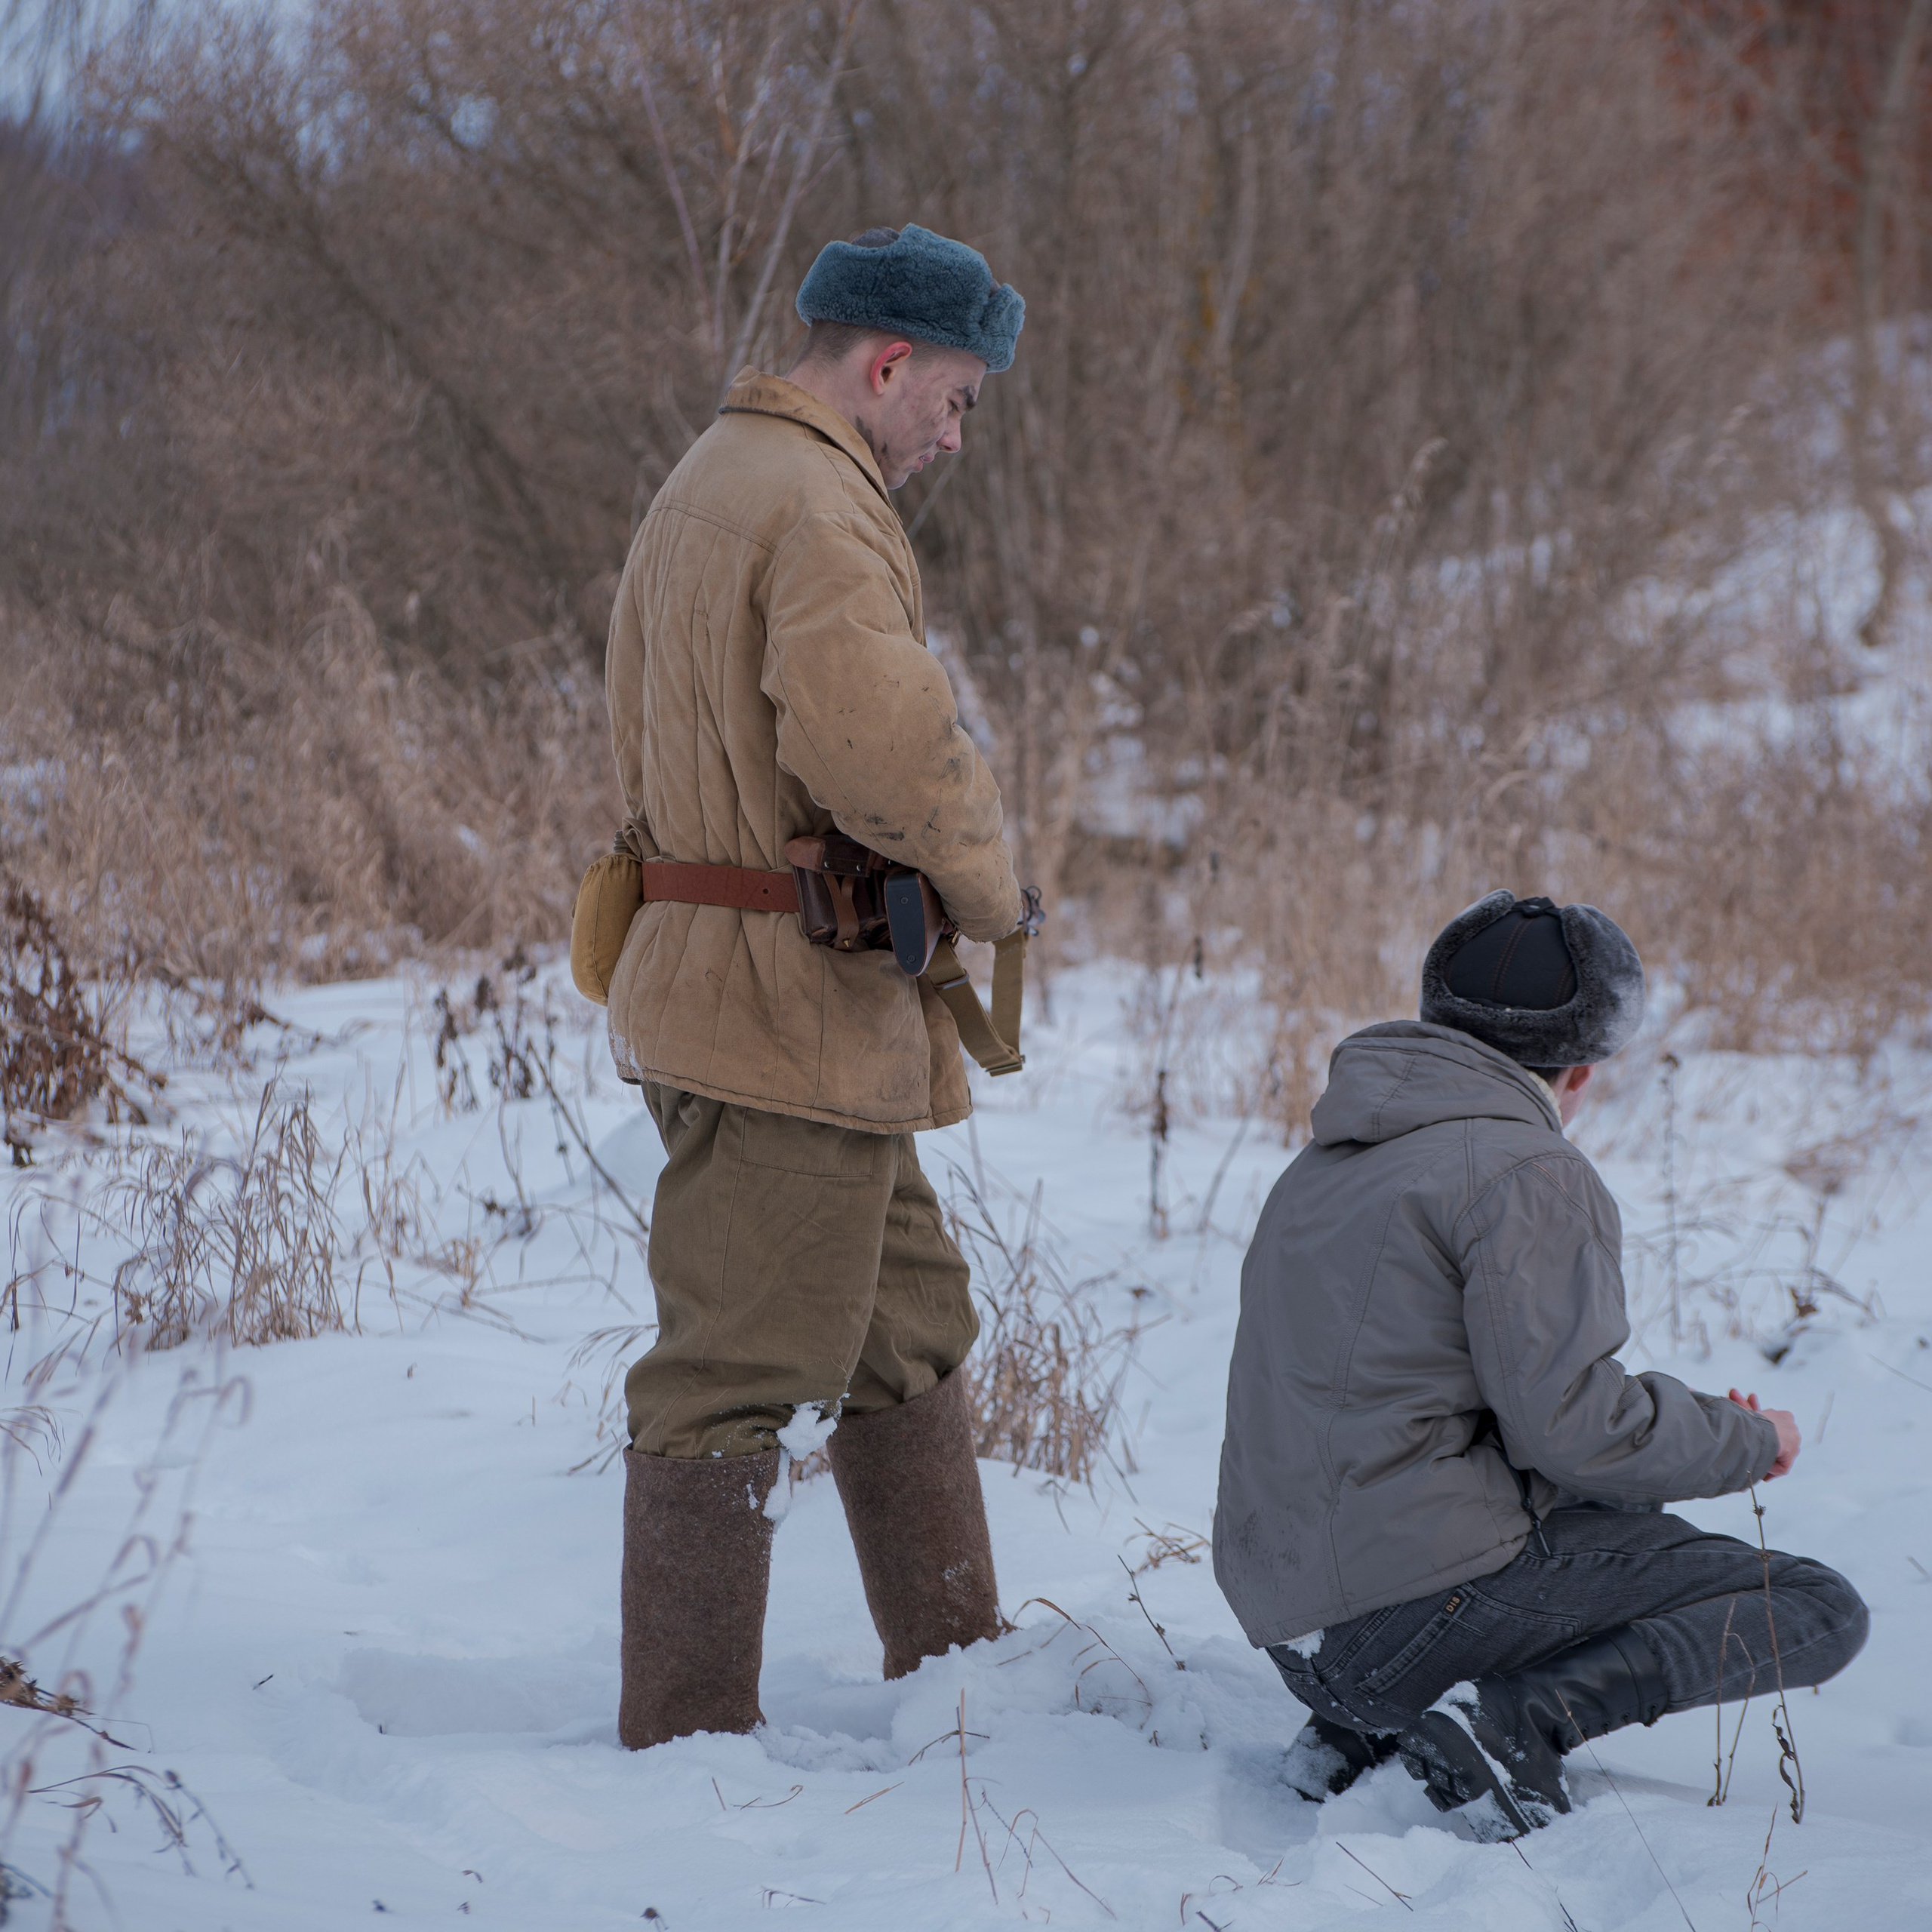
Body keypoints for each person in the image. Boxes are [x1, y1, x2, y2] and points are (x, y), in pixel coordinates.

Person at [601, 226, 1028, 1748]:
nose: (953, 437)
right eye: (954, 399)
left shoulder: (722, 470)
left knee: (901, 1322)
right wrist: (993, 883)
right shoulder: (819, 506)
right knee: (734, 1365)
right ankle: (685, 1736)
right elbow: (884, 751)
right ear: (887, 358)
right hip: (776, 1001)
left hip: (768, 994)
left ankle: (960, 1677)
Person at [1212, 891, 1868, 1838]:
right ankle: (1515, 1721)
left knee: (1618, 1505)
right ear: (1585, 1069)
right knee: (1816, 1606)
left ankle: (1358, 1734)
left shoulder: (1331, 1156)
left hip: (1298, 1628)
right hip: (1405, 1623)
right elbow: (1577, 1433)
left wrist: (1678, 1430)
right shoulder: (1524, 1171)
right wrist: (1746, 1438)